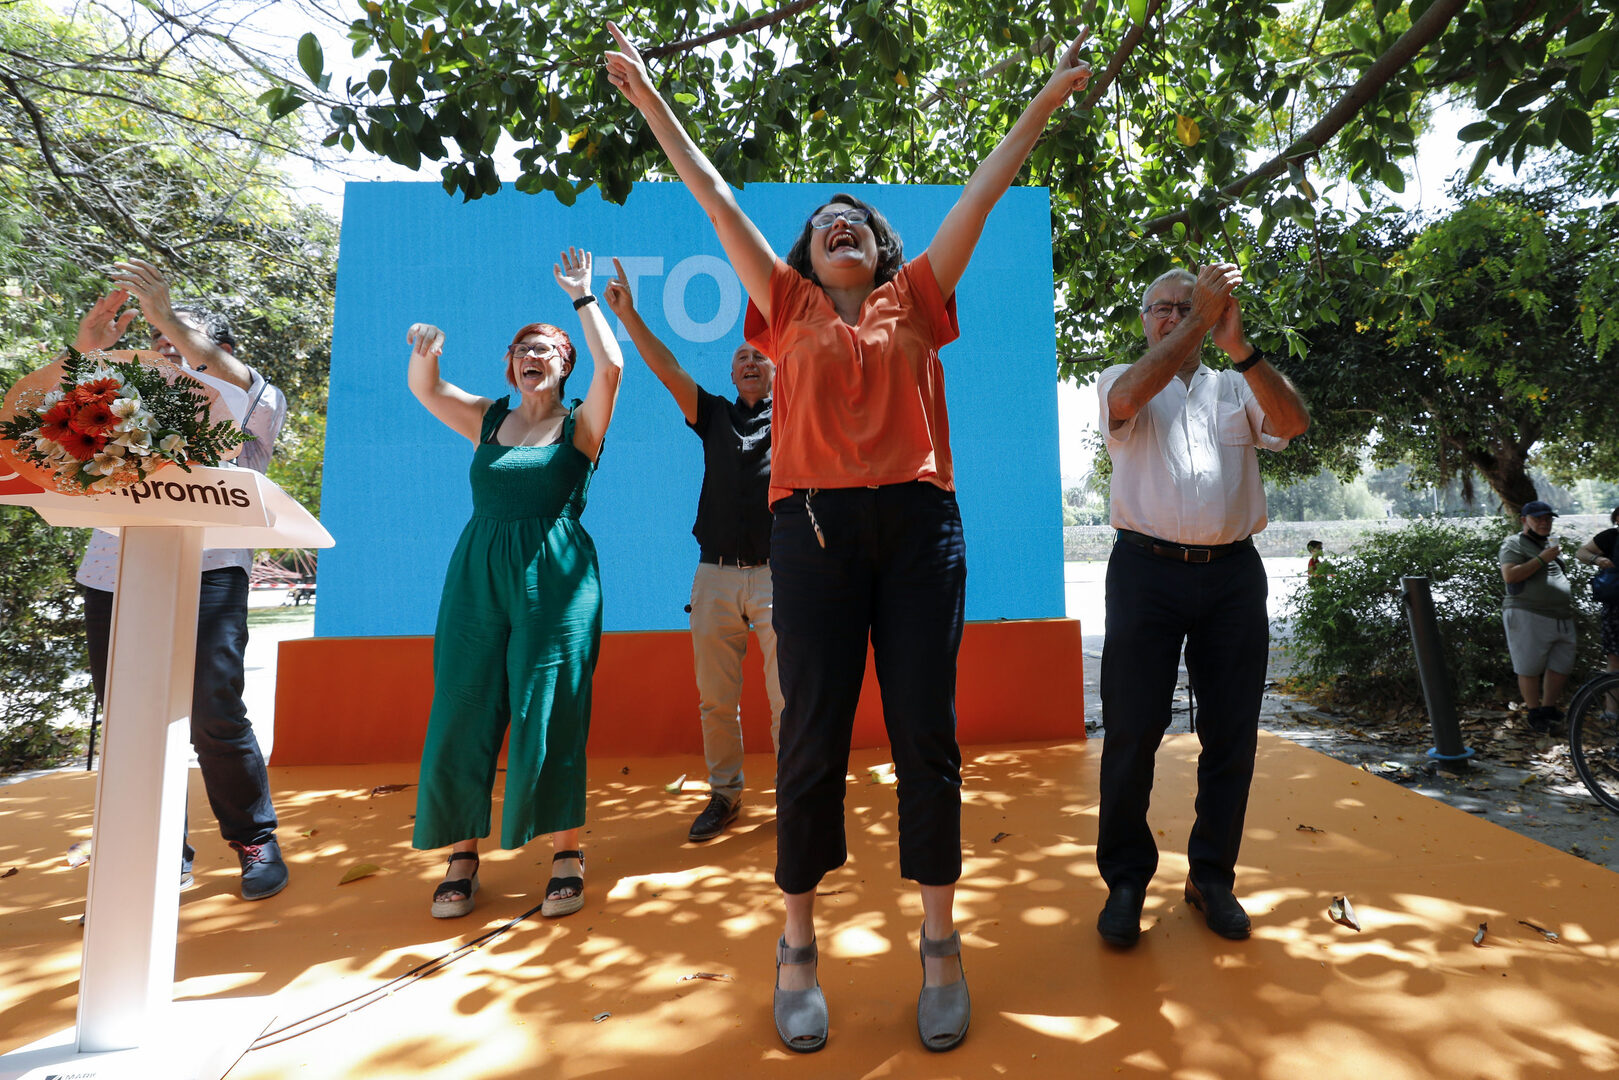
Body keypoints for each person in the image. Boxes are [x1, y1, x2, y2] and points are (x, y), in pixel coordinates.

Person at [607, 20, 1094, 1055]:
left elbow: (981, 193)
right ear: (803, 254)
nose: (840, 226)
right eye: (824, 222)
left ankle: (939, 942)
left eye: (857, 222)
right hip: (813, 535)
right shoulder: (782, 307)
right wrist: (649, 97)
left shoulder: (914, 298)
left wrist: (1045, 101)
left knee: (925, 734)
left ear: (879, 249)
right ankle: (795, 946)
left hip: (919, 532)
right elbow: (714, 196)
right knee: (811, 737)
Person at [1093, 265, 1310, 948]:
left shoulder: (1235, 384)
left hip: (1232, 577)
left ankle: (1211, 877)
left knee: (1231, 735)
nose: (1176, 316)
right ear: (1143, 320)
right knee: (1131, 732)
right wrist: (1199, 320)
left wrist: (1237, 345)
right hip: (1144, 573)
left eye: (1189, 306)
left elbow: (1292, 423)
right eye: (1163, 308)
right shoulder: (1119, 378)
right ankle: (1125, 880)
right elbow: (1128, 397)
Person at [406, 249, 623, 919]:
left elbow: (613, 367)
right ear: (510, 364)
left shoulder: (582, 424)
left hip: (555, 576)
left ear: (564, 363)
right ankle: (461, 856)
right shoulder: (488, 416)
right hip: (477, 573)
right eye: (523, 349)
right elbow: (427, 390)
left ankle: (566, 855)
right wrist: (425, 352)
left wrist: (583, 298)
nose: (533, 355)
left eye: (546, 349)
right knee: (462, 706)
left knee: (551, 708)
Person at [74, 262, 291, 901]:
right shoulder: (127, 395)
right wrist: (90, 348)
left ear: (221, 349)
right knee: (131, 715)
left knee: (214, 712)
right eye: (156, 341)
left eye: (177, 340)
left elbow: (233, 378)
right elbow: (66, 423)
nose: (165, 350)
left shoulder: (253, 397)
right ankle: (161, 850)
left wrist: (165, 315)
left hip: (211, 570)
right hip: (115, 568)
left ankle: (254, 840)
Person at [601, 258, 784, 843]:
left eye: (760, 355)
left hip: (780, 578)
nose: (750, 362)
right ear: (731, 373)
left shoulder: (798, 414)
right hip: (715, 576)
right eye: (741, 357)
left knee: (791, 700)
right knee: (716, 702)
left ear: (777, 368)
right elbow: (667, 368)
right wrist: (629, 316)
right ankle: (725, 795)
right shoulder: (714, 415)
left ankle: (798, 798)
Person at [1501, 500, 1577, 733]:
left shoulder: (1548, 543)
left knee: (1561, 664)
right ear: (1524, 520)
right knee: (1529, 666)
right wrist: (1543, 558)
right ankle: (1534, 713)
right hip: (1528, 612)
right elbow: (1510, 576)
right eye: (1538, 518)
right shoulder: (1514, 543)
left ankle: (1548, 708)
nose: (1544, 523)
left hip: (1561, 615)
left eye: (1548, 518)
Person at [1575, 506, 1619, 675]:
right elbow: (1581, 552)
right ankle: (1611, 692)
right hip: (1615, 608)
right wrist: (1597, 559)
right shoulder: (1610, 537)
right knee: (1615, 661)